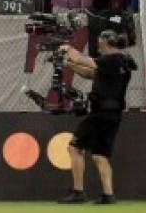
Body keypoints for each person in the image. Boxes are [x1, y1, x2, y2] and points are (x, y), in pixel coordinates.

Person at [58, 30, 137, 205]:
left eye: (99, 40)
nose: (97, 43)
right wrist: (68, 63)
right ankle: (108, 195)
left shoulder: (111, 59)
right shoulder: (122, 62)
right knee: (100, 155)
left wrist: (68, 48)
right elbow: (89, 73)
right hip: (113, 115)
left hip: (100, 113)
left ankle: (78, 192)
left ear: (106, 42)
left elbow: (81, 59)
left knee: (74, 148)